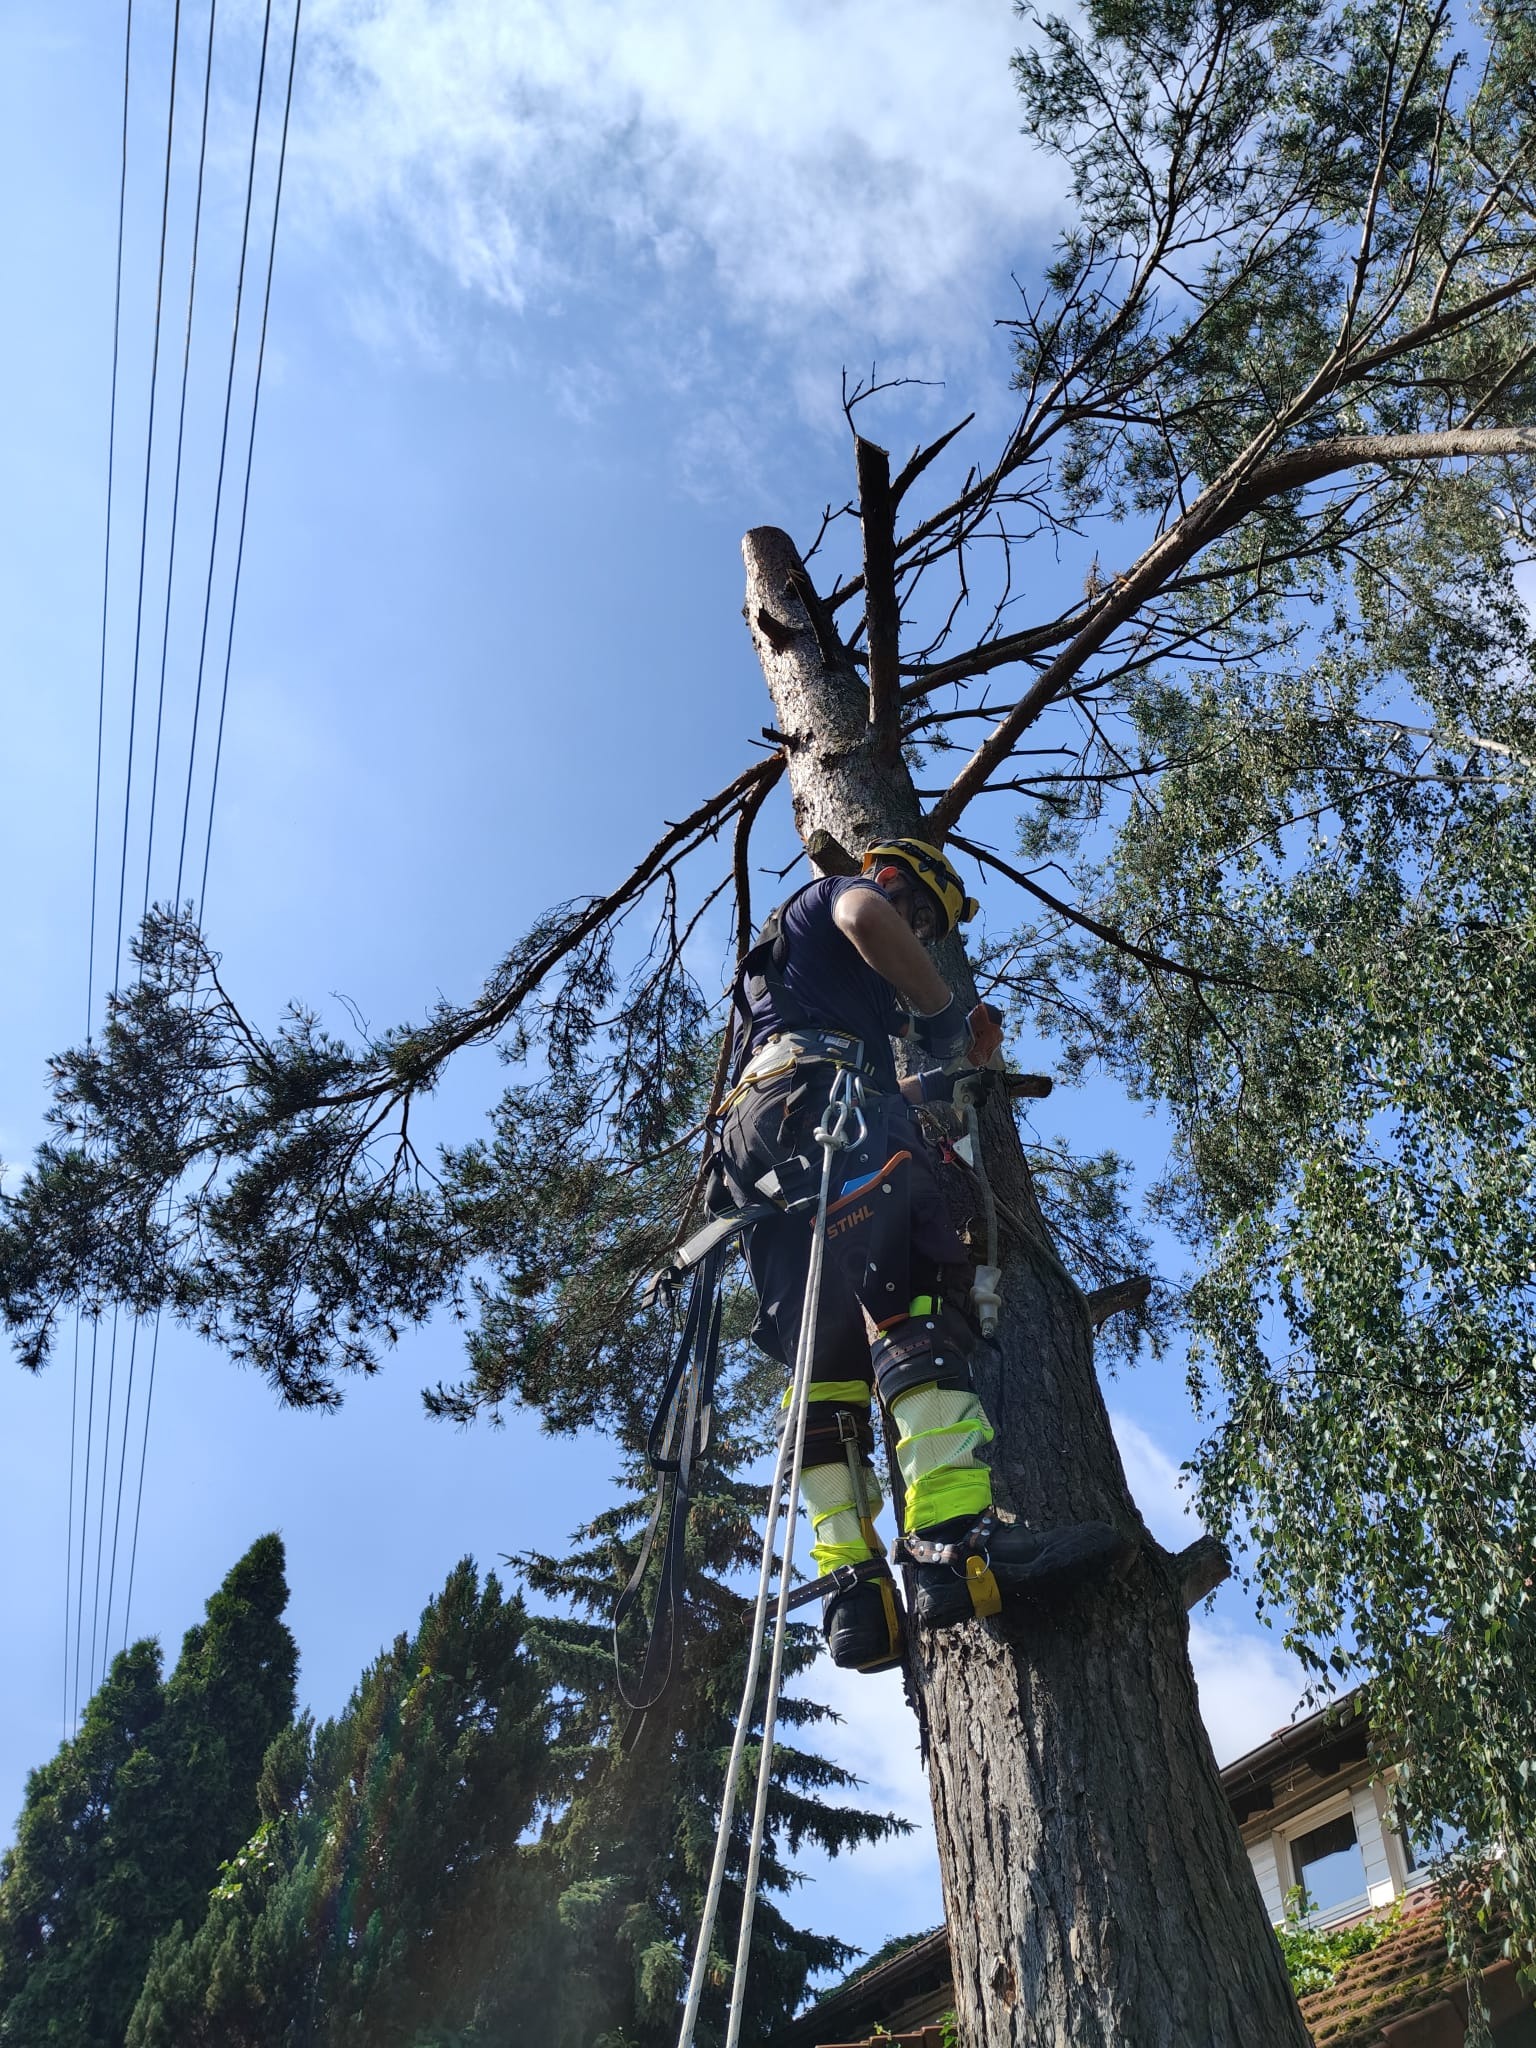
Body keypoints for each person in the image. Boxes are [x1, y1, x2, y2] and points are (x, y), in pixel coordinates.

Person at [714, 838, 1131, 1672]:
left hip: (764, 1144)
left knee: (826, 1359)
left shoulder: (797, 989)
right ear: (894, 879)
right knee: (915, 1301)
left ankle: (854, 1596)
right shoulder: (840, 896)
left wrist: (937, 1080)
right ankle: (952, 1545)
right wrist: (941, 1013)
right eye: (920, 915)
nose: (915, 930)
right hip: (820, 1107)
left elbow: (834, 1055)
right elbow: (865, 915)